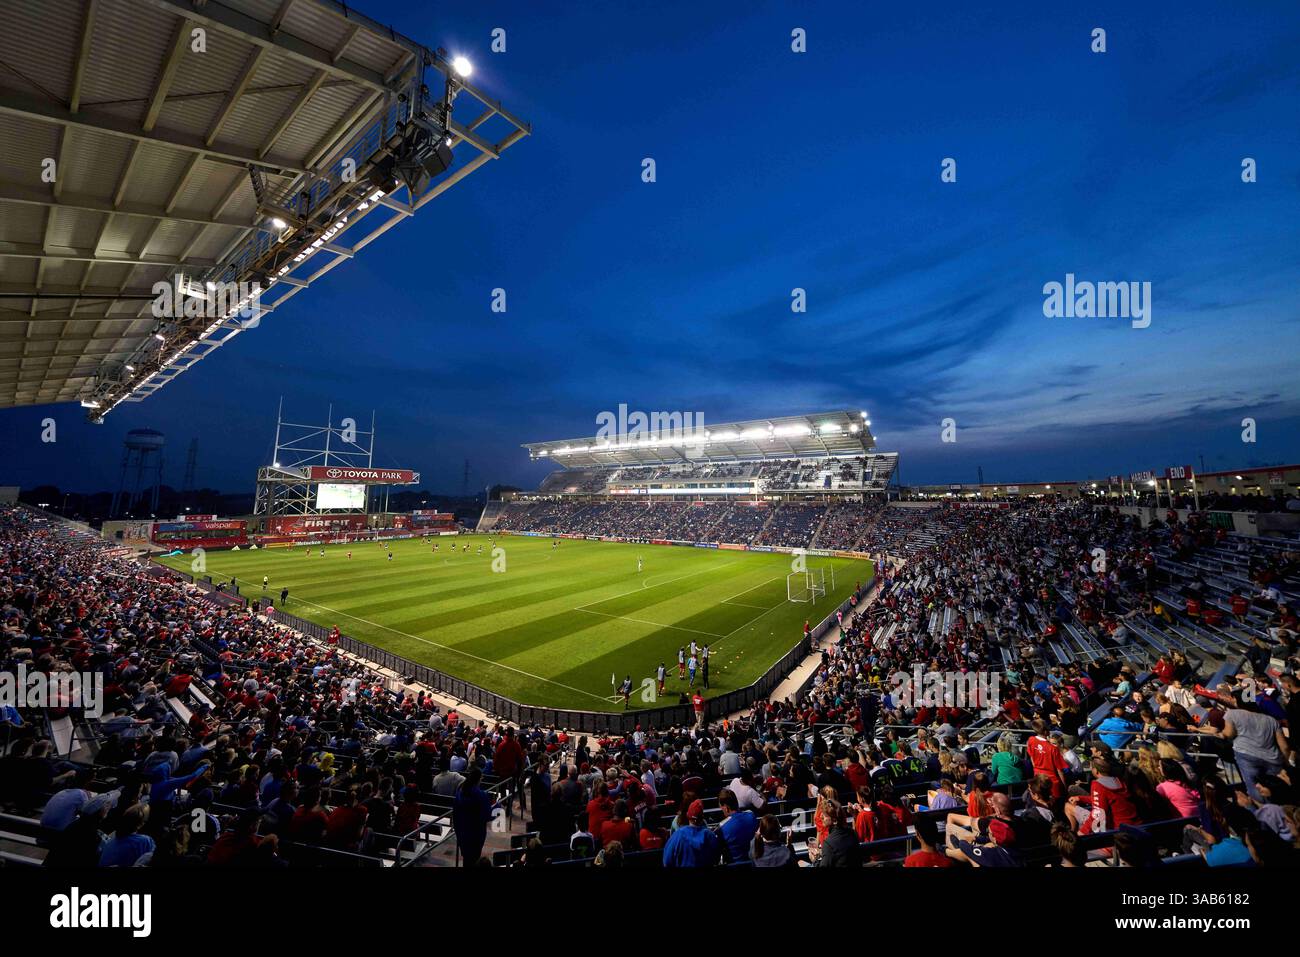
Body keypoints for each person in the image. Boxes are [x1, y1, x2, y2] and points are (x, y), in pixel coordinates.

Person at [452, 767, 494, 867]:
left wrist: (458, 831)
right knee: (474, 859)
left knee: (467, 860)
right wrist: (496, 806)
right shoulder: (481, 795)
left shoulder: (459, 794)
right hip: (476, 834)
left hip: (462, 833)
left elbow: (455, 815)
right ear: (478, 779)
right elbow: (488, 815)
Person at [662, 800, 722, 867]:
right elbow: (717, 859)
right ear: (702, 819)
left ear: (688, 816)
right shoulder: (710, 836)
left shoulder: (677, 835)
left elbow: (667, 862)